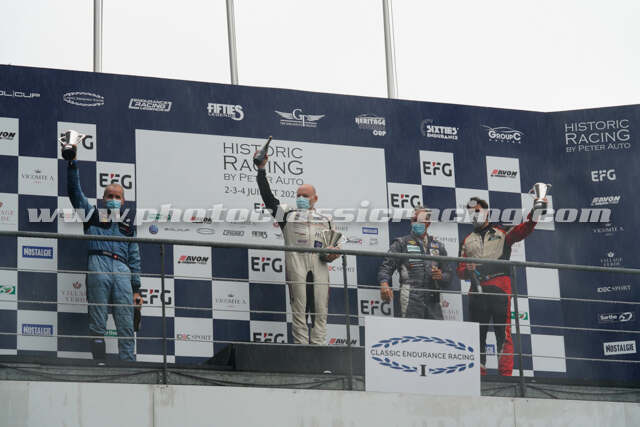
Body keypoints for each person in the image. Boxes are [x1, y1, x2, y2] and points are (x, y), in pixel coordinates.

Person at [255, 152, 340, 345]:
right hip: (297, 266)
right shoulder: (287, 215)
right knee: (299, 311)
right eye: (298, 195)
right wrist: (261, 170)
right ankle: (301, 349)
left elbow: (335, 246)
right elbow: (268, 199)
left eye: (305, 196)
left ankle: (319, 349)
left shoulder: (326, 219)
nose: (301, 198)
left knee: (320, 311)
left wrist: (332, 254)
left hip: (319, 269)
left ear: (315, 198)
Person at [66, 150, 142, 361]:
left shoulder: (128, 228)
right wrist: (72, 164)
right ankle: (99, 364)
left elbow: (135, 259)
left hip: (123, 272)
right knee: (98, 321)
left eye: (118, 197)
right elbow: (75, 193)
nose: (114, 200)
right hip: (98, 265)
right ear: (103, 199)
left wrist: (137, 289)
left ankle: (129, 366)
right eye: (110, 196)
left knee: (126, 323)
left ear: (123, 201)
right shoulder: (92, 215)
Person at [457, 197, 544, 376]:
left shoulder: (502, 232)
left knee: (503, 334)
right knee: (476, 334)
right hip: (477, 291)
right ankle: (478, 377)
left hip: (500, 289)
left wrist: (535, 212)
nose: (475, 215)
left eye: (478, 210)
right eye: (471, 212)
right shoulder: (466, 240)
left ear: (487, 212)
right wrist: (467, 269)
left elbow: (525, 229)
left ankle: (506, 377)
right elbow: (459, 270)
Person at [378, 207, 452, 319]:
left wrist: (441, 276)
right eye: (414, 220)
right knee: (411, 328)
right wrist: (384, 284)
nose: (417, 223)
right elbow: (386, 267)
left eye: (420, 220)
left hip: (433, 297)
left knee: (435, 329)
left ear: (428, 223)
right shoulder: (401, 243)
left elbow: (449, 275)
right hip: (411, 296)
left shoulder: (438, 246)